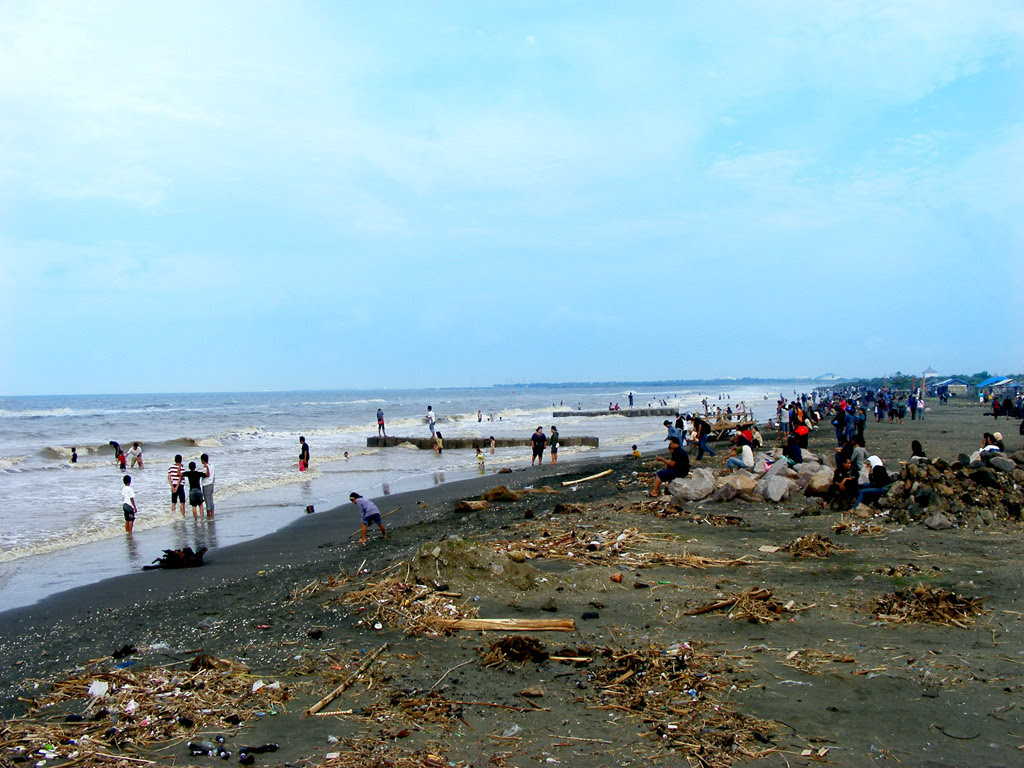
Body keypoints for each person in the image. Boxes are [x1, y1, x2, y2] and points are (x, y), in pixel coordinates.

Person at [200, 453, 215, 517]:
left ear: (202, 460)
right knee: (211, 499)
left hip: (206, 484)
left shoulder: (205, 467)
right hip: (211, 483)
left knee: (207, 499)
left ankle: (209, 514)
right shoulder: (212, 466)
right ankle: (212, 513)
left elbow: (206, 475)